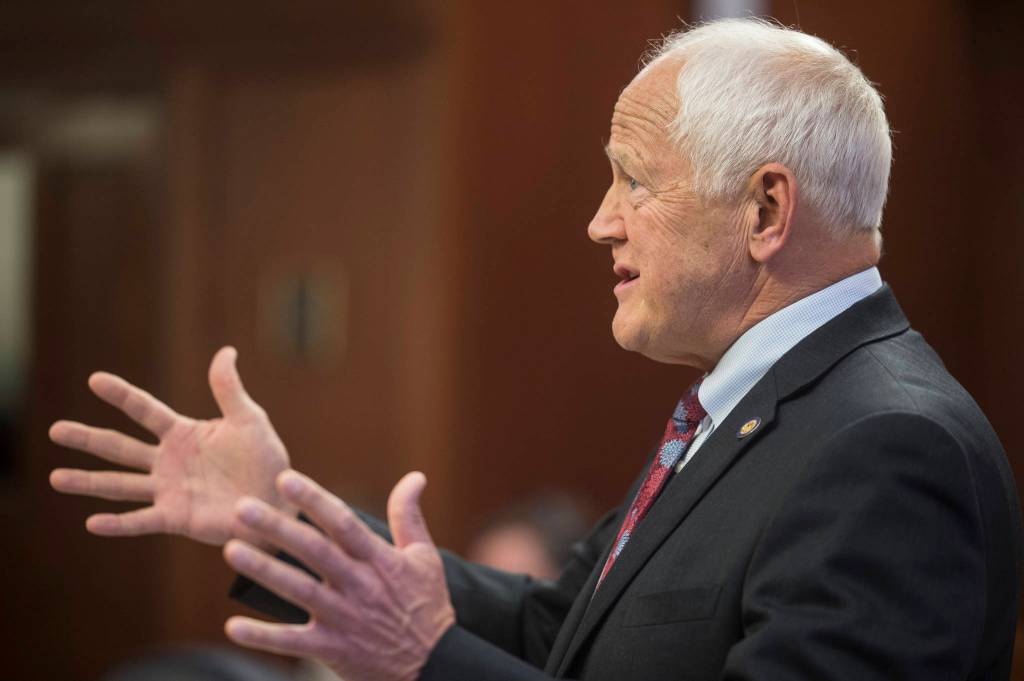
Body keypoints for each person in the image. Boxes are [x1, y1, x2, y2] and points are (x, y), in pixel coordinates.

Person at [49, 18, 1022, 681]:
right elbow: (567, 635)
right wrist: (279, 520)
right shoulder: (762, 405)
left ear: (765, 209)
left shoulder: (886, 448)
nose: (601, 223)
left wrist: (429, 657)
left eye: (633, 182)